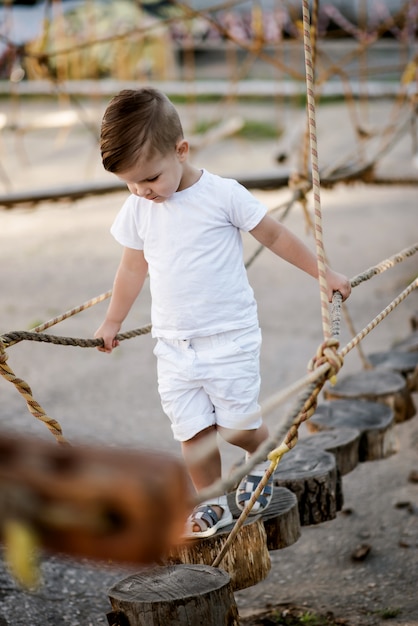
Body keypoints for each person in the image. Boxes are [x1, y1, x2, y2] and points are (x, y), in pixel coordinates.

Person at [94, 87, 351, 539]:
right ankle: (212, 503)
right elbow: (132, 267)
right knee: (192, 432)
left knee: (236, 428)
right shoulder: (138, 208)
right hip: (174, 344)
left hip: (228, 337)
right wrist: (114, 320)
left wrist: (322, 273)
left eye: (150, 178)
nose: (141, 191)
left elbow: (275, 237)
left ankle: (265, 450)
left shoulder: (222, 195)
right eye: (130, 183)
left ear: (182, 150)